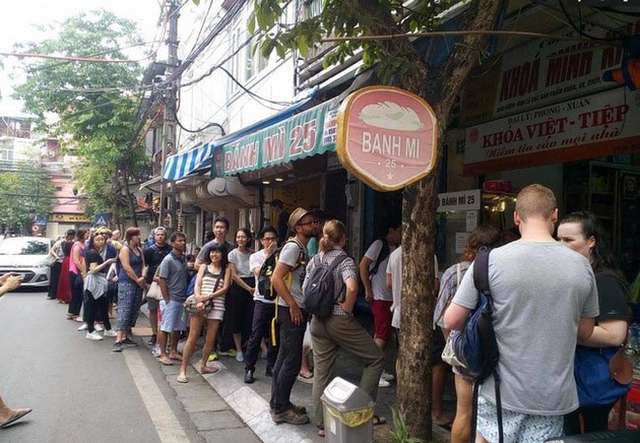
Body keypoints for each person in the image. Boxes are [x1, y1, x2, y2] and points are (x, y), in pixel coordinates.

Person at [444, 184, 599, 443]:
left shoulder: (488, 261)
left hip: (498, 391)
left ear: (517, 217)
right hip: (552, 397)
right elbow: (584, 331)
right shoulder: (582, 266)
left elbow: (452, 320)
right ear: (554, 216)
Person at [306, 220, 385, 437]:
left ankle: (322, 423)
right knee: (375, 359)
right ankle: (359, 413)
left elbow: (306, 289)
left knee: (321, 371)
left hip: (317, 322)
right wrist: (348, 307)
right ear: (343, 239)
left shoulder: (314, 260)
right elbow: (351, 286)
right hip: (339, 319)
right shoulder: (345, 260)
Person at [558, 211, 631, 435]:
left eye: (569, 240)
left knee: (590, 434)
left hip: (590, 378)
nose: (561, 246)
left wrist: (565, 330)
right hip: (569, 377)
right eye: (558, 240)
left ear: (592, 241)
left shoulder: (605, 281)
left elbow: (615, 335)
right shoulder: (572, 275)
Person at [435, 225, 501, 443]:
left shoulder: (455, 272)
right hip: (497, 350)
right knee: (493, 411)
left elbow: (443, 317)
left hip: (466, 350)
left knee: (464, 411)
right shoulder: (502, 272)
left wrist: (452, 343)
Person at [269, 207, 318, 425]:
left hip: (291, 308)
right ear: (298, 227)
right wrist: (294, 306)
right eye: (309, 223)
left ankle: (279, 403)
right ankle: (281, 409)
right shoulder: (293, 248)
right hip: (291, 310)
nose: (314, 226)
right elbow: (276, 279)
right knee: (291, 360)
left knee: (284, 357)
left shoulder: (300, 247)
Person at [387, 246, 444, 424]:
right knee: (437, 362)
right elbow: (434, 286)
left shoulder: (394, 255)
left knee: (403, 356)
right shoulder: (427, 252)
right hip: (422, 316)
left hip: (398, 314)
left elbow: (388, 284)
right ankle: (436, 411)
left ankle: (403, 403)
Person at [177, 242, 232, 382]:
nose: (214, 254)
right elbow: (198, 284)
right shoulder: (203, 266)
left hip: (217, 305)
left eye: (217, 252)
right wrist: (199, 299)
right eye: (212, 252)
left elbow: (225, 288)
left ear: (222, 254)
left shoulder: (227, 268)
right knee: (193, 337)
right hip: (199, 304)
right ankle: (182, 370)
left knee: (211, 338)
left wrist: (207, 297)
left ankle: (203, 365)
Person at [359, 220, 401, 388]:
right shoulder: (379, 244)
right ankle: (372, 372)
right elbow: (363, 265)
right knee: (382, 335)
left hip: (389, 298)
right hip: (380, 296)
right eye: (399, 230)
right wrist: (368, 289)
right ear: (391, 230)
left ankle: (377, 369)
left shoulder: (394, 249)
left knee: (381, 333)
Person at [244, 227, 279, 384]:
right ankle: (249, 368)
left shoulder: (281, 256)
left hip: (278, 301)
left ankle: (271, 366)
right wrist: (270, 255)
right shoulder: (255, 257)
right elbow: (262, 274)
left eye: (272, 238)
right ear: (261, 241)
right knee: (256, 334)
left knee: (275, 336)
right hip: (261, 300)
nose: (269, 242)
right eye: (266, 239)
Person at [157, 232, 189, 365]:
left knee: (177, 327)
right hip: (172, 298)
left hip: (182, 298)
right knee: (166, 326)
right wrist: (167, 298)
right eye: (180, 241)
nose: (183, 243)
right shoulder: (168, 260)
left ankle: (174, 350)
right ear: (173, 243)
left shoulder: (183, 259)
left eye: (184, 240)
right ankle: (163, 353)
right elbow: (162, 279)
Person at [113, 227, 147, 353]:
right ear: (131, 236)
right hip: (127, 282)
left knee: (134, 309)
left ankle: (126, 335)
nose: (139, 237)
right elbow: (126, 267)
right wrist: (137, 279)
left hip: (138, 282)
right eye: (137, 235)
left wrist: (143, 276)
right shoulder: (125, 249)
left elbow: (143, 265)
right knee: (124, 308)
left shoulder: (139, 250)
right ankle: (118, 339)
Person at [82, 231, 118, 341]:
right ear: (93, 242)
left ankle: (107, 328)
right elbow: (93, 270)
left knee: (103, 306)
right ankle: (90, 331)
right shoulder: (94, 253)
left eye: (102, 239)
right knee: (92, 307)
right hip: (94, 282)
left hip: (98, 281)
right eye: (97, 240)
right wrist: (107, 262)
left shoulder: (95, 252)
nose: (101, 241)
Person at [227, 228, 255, 362]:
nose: (240, 240)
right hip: (238, 287)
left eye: (243, 237)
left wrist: (252, 288)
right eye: (238, 237)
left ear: (249, 239)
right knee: (236, 318)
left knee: (251, 318)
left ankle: (252, 347)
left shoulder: (253, 253)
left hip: (252, 284)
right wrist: (249, 288)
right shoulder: (232, 254)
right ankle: (238, 349)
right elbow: (233, 275)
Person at [143, 226, 171, 353]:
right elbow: (145, 266)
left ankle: (166, 334)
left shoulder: (170, 250)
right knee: (153, 309)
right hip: (152, 283)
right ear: (154, 237)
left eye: (162, 235)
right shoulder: (148, 251)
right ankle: (155, 333)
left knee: (165, 310)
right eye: (158, 235)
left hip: (168, 284)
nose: (160, 237)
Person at [67, 228, 88, 322]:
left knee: (78, 293)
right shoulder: (77, 245)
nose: (88, 235)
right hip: (75, 271)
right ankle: (74, 314)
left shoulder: (84, 244)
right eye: (86, 233)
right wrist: (83, 270)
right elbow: (76, 260)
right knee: (76, 293)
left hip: (80, 271)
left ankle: (72, 313)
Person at [56, 229, 75, 304]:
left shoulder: (63, 243)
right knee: (69, 278)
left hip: (65, 260)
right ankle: (68, 296)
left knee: (63, 278)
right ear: (73, 235)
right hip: (71, 260)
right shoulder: (73, 244)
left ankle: (62, 296)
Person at [47, 235, 64, 300]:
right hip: (57, 262)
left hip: (66, 263)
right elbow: (52, 250)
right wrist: (56, 256)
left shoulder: (73, 242)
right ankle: (52, 294)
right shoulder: (59, 243)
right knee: (54, 279)